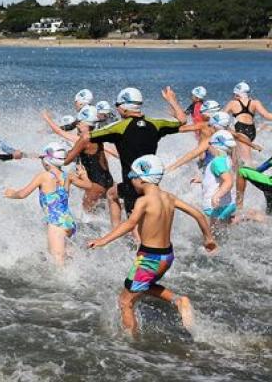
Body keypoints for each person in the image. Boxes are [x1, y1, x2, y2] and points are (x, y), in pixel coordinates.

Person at [87, 154, 217, 337]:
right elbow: (198, 214)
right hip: (167, 256)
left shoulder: (144, 201)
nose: (132, 183)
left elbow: (129, 224)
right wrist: (208, 239)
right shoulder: (169, 198)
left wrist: (103, 240)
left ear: (141, 179)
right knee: (144, 285)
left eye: (133, 178)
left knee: (125, 301)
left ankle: (130, 344)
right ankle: (178, 300)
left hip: (149, 259)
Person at [73, 87, 186, 227]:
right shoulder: (155, 124)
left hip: (132, 183)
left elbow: (86, 136)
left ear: (125, 108)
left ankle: (116, 231)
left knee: (131, 219)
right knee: (119, 199)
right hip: (151, 182)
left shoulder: (119, 127)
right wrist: (172, 100)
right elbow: (182, 120)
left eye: (118, 106)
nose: (117, 109)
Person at [4, 143, 90, 266]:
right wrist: (84, 175)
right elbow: (89, 186)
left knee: (58, 265)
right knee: (69, 261)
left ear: (46, 161)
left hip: (56, 224)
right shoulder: (68, 176)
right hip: (69, 222)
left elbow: (23, 194)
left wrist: (12, 194)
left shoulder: (44, 176)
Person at [48, 106, 116, 212]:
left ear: (86, 123)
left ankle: (60, 205)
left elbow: (66, 161)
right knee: (104, 215)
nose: (77, 125)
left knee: (87, 216)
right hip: (109, 182)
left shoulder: (84, 139)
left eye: (79, 122)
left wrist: (53, 156)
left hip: (97, 185)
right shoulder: (97, 136)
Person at [223, 82, 272, 165]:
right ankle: (236, 175)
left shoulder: (232, 103)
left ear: (238, 94)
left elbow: (221, 116)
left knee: (246, 160)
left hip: (241, 131)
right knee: (235, 156)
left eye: (235, 94)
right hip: (252, 131)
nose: (234, 96)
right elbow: (267, 115)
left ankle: (250, 175)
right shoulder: (255, 102)